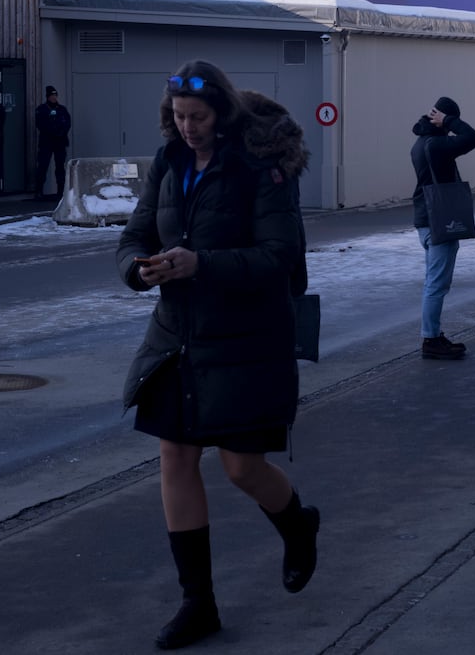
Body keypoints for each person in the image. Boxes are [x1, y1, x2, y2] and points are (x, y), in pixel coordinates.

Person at [117, 60, 319, 650]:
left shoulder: (258, 168)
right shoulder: (170, 162)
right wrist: (137, 268)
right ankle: (197, 602)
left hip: (246, 342)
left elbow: (280, 256)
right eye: (179, 117)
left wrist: (199, 263)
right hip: (177, 337)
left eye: (198, 117)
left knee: (240, 467)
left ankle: (298, 524)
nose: (188, 128)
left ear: (221, 112)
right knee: (175, 459)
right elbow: (134, 236)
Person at [410, 95, 475, 359]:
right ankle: (430, 339)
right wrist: (451, 121)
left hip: (425, 219)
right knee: (437, 284)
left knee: (434, 281)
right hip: (440, 220)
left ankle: (433, 334)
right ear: (441, 119)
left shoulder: (420, 143)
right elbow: (474, 137)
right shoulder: (437, 145)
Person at [33, 85, 72, 199]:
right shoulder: (42, 109)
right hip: (46, 142)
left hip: (60, 142)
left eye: (55, 95)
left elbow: (67, 123)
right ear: (48, 97)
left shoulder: (62, 109)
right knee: (43, 166)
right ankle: (38, 190)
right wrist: (53, 131)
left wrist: (61, 132)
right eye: (52, 96)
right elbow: (41, 124)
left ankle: (61, 191)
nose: (54, 98)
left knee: (60, 167)